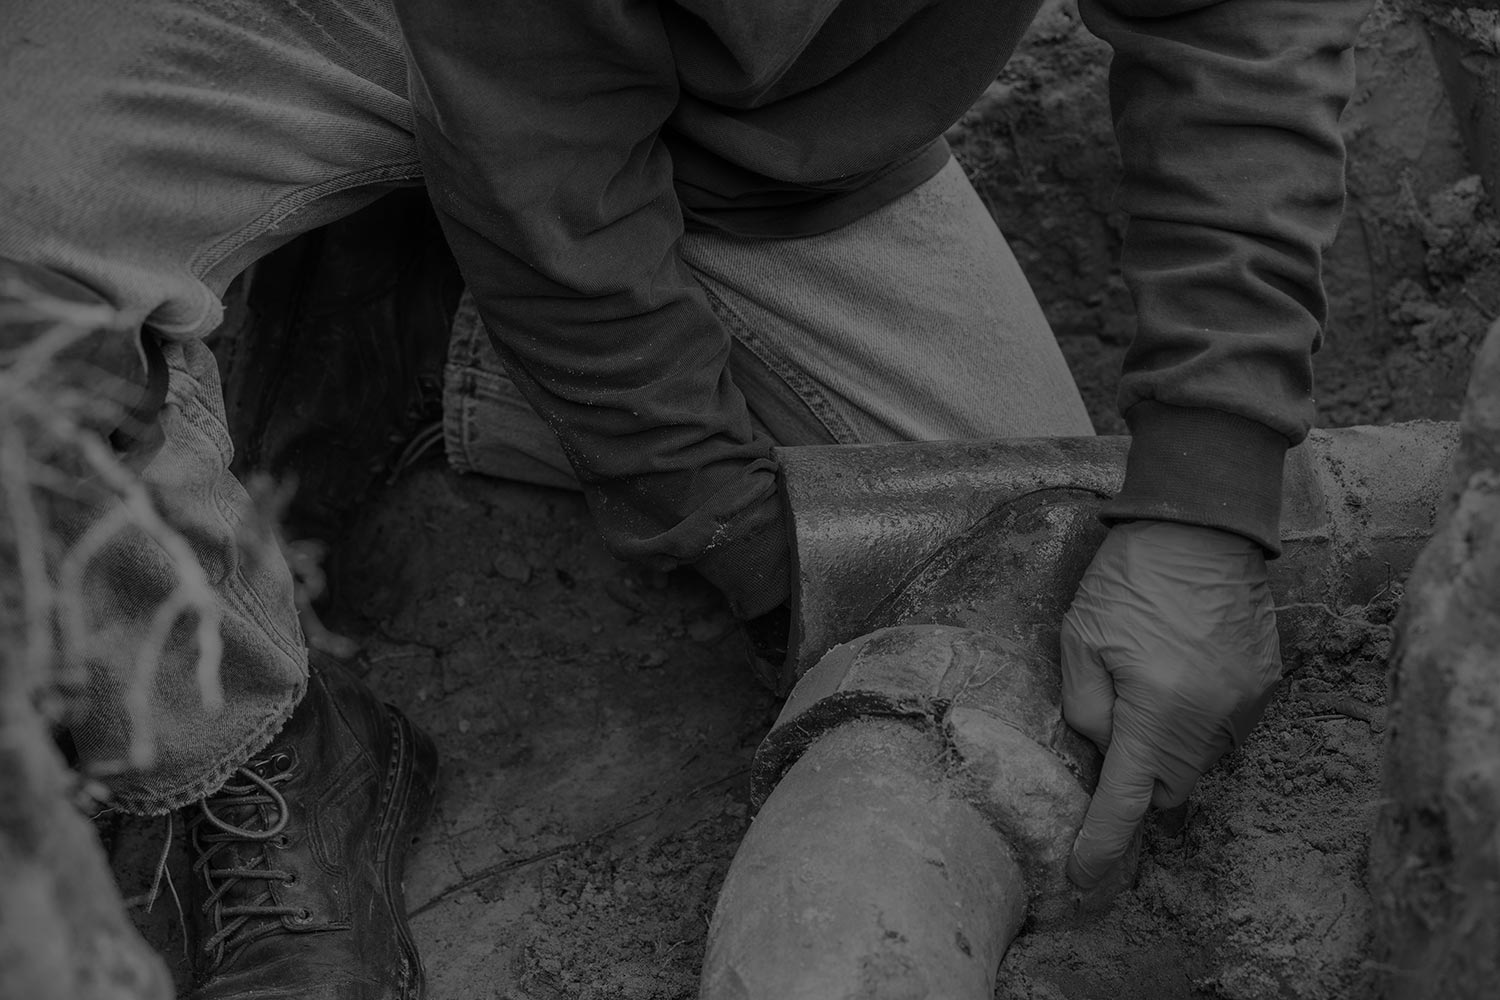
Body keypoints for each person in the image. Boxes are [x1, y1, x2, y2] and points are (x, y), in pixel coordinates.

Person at [0, 0, 1373, 995]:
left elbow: (1239, 25)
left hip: (759, 130)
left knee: (1015, 575)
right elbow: (551, 191)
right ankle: (255, 751)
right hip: (296, 23)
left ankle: (415, 322)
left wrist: (1208, 491)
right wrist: (744, 539)